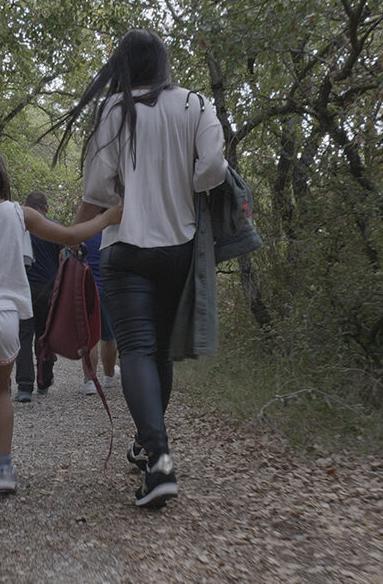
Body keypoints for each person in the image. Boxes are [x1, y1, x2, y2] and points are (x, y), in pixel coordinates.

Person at [51, 29, 227, 508]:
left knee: (135, 350)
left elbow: (97, 189)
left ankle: (160, 458)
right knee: (159, 353)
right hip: (180, 248)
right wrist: (184, 183)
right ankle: (151, 451)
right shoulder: (194, 104)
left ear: (123, 67)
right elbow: (214, 165)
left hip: (126, 248)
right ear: (163, 63)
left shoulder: (114, 111)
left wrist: (73, 240)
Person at [0, 137, 121, 518]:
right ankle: (4, 470)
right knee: (1, 394)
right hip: (4, 320)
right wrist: (107, 218)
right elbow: (70, 237)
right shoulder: (20, 214)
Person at [14, 191, 62, 403]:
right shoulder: (54, 228)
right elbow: (64, 259)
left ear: (25, 206)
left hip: (22, 289)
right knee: (45, 335)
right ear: (46, 208)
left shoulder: (18, 228)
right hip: (48, 290)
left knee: (24, 336)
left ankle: (25, 387)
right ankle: (44, 381)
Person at [80, 230, 120, 395]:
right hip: (106, 288)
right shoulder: (113, 231)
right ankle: (109, 376)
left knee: (89, 337)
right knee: (108, 335)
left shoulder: (85, 231)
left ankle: (90, 381)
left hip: (87, 287)